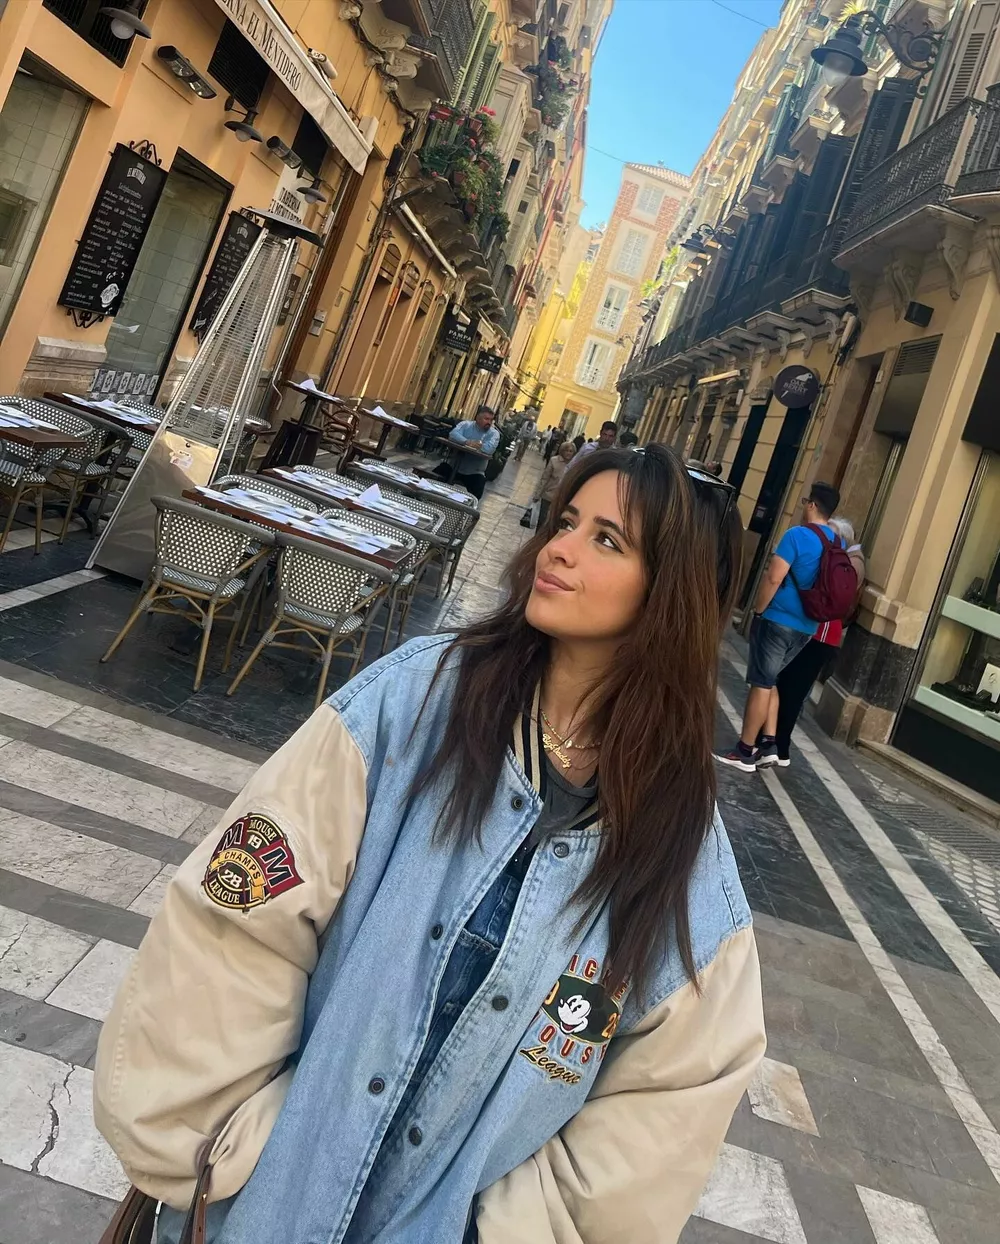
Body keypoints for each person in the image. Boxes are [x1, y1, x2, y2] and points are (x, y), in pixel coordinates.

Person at [95, 445, 764, 1244]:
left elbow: (665, 1108)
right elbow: (241, 917)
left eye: (607, 540)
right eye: (566, 522)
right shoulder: (413, 706)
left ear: (673, 595)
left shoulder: (686, 860)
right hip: (259, 1212)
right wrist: (223, 1144)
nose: (558, 549)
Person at [717, 480, 842, 772]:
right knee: (771, 678)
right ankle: (769, 744)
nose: (804, 507)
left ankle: (744, 751)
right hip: (808, 626)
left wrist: (759, 611)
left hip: (779, 619)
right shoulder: (837, 544)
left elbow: (774, 577)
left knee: (761, 683)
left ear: (812, 505)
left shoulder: (796, 535)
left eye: (806, 502)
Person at [770, 519, 864, 766]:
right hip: (820, 631)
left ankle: (779, 747)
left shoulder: (842, 563)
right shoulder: (843, 561)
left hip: (821, 632)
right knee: (789, 686)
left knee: (791, 690)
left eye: (830, 534)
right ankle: (774, 743)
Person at [433, 406, 500, 500]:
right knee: (433, 476)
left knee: (478, 489)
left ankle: (469, 507)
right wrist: (467, 442)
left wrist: (477, 446)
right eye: (486, 419)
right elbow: (453, 434)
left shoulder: (493, 433)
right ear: (478, 418)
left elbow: (490, 449)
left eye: (491, 420)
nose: (489, 422)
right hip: (453, 466)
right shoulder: (466, 425)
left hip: (474, 472)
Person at [533, 438, 577, 527]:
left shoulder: (574, 464)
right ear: (562, 451)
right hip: (548, 495)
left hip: (562, 498)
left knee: (553, 522)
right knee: (542, 520)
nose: (568, 453)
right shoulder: (554, 460)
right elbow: (545, 478)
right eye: (566, 451)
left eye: (571, 451)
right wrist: (537, 494)